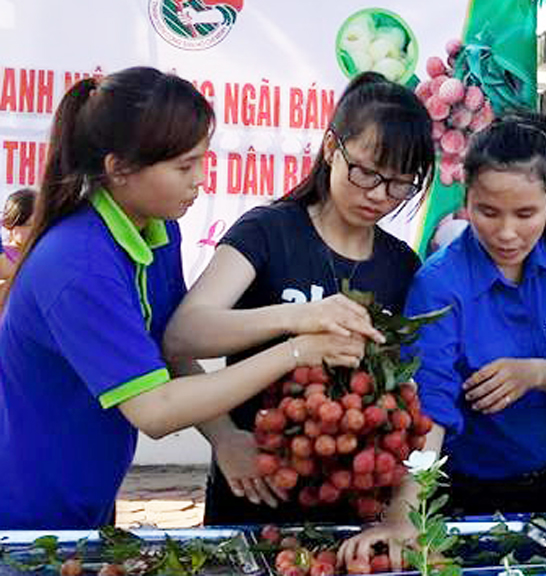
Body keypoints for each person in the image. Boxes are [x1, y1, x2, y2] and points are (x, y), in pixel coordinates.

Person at [0, 67, 365, 530]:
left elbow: (169, 345)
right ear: (119, 168)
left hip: (86, 496)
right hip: (22, 512)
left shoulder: (155, 229)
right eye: (184, 166)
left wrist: (225, 436)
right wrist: (295, 347)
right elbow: (155, 409)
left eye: (202, 160)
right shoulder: (78, 264)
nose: (200, 180)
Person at [162, 71, 435, 525]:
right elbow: (182, 337)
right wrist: (225, 438)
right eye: (366, 172)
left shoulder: (402, 265)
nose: (379, 195)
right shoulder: (269, 231)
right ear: (331, 148)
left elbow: (412, 391)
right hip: (253, 490)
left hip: (353, 504)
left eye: (399, 183)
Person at [338, 113, 546, 566]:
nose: (507, 233)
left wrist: (536, 373)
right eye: (488, 212)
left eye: (526, 214)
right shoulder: (440, 284)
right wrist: (408, 511)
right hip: (462, 495)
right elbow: (430, 409)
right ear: (466, 201)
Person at [0, 187, 36, 279]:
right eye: (29, 225)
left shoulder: (42, 253)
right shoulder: (4, 254)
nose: (36, 230)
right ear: (10, 224)